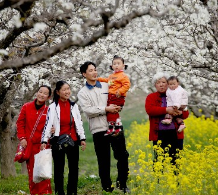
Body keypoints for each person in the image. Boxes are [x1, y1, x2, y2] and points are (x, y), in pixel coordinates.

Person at [78, 61, 130, 194]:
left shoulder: (107, 85)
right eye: (90, 70)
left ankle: (122, 183)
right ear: (84, 74)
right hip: (98, 128)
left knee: (122, 155)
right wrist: (106, 108)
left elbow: (119, 97)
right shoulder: (82, 93)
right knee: (103, 159)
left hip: (115, 124)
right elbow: (88, 110)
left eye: (95, 69)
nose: (94, 72)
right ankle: (107, 187)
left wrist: (119, 106)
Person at [41, 81, 86, 195]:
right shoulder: (53, 107)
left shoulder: (74, 106)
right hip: (58, 141)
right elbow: (48, 124)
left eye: (68, 89)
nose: (67, 92)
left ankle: (72, 192)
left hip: (73, 140)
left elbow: (79, 123)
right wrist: (44, 140)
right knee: (59, 169)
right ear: (58, 92)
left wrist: (82, 138)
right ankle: (59, 192)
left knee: (74, 168)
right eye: (64, 89)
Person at [145, 72, 189, 165]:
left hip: (175, 133)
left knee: (176, 160)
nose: (161, 84)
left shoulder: (177, 94)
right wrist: (166, 110)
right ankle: (159, 179)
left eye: (164, 82)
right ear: (155, 85)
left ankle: (176, 179)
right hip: (159, 134)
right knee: (159, 161)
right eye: (158, 82)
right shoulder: (151, 97)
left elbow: (186, 114)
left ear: (168, 83)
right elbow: (150, 110)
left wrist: (180, 112)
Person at [16, 85, 52, 195]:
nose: (42, 94)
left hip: (43, 145)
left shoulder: (49, 110)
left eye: (45, 93)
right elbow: (20, 123)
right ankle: (34, 193)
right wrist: (22, 138)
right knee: (32, 172)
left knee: (43, 172)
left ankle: (45, 193)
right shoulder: (26, 107)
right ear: (37, 92)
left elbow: (52, 125)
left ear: (48, 97)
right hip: (29, 145)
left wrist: (52, 131)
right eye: (40, 92)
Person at [97, 55, 131, 136]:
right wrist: (98, 79)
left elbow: (127, 84)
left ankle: (114, 127)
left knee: (112, 111)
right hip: (111, 97)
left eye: (118, 63)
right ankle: (115, 127)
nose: (116, 65)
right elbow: (107, 80)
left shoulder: (123, 76)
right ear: (112, 66)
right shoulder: (111, 76)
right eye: (114, 64)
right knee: (111, 112)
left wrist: (120, 91)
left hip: (117, 96)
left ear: (123, 65)